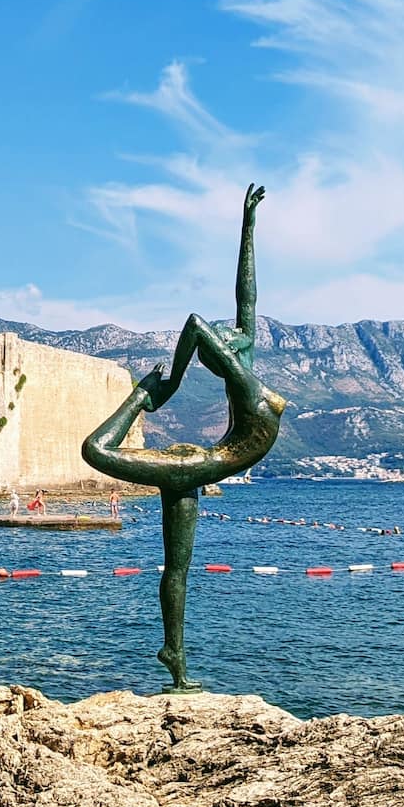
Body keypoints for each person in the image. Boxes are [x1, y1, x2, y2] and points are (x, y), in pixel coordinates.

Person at [82, 184, 285, 689]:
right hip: (199, 469)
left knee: (178, 569)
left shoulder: (245, 367)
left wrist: (248, 227)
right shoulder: (245, 380)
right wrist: (157, 390)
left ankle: (174, 653)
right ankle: (174, 654)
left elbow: (243, 299)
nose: (236, 337)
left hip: (203, 467)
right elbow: (204, 323)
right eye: (231, 340)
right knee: (175, 568)